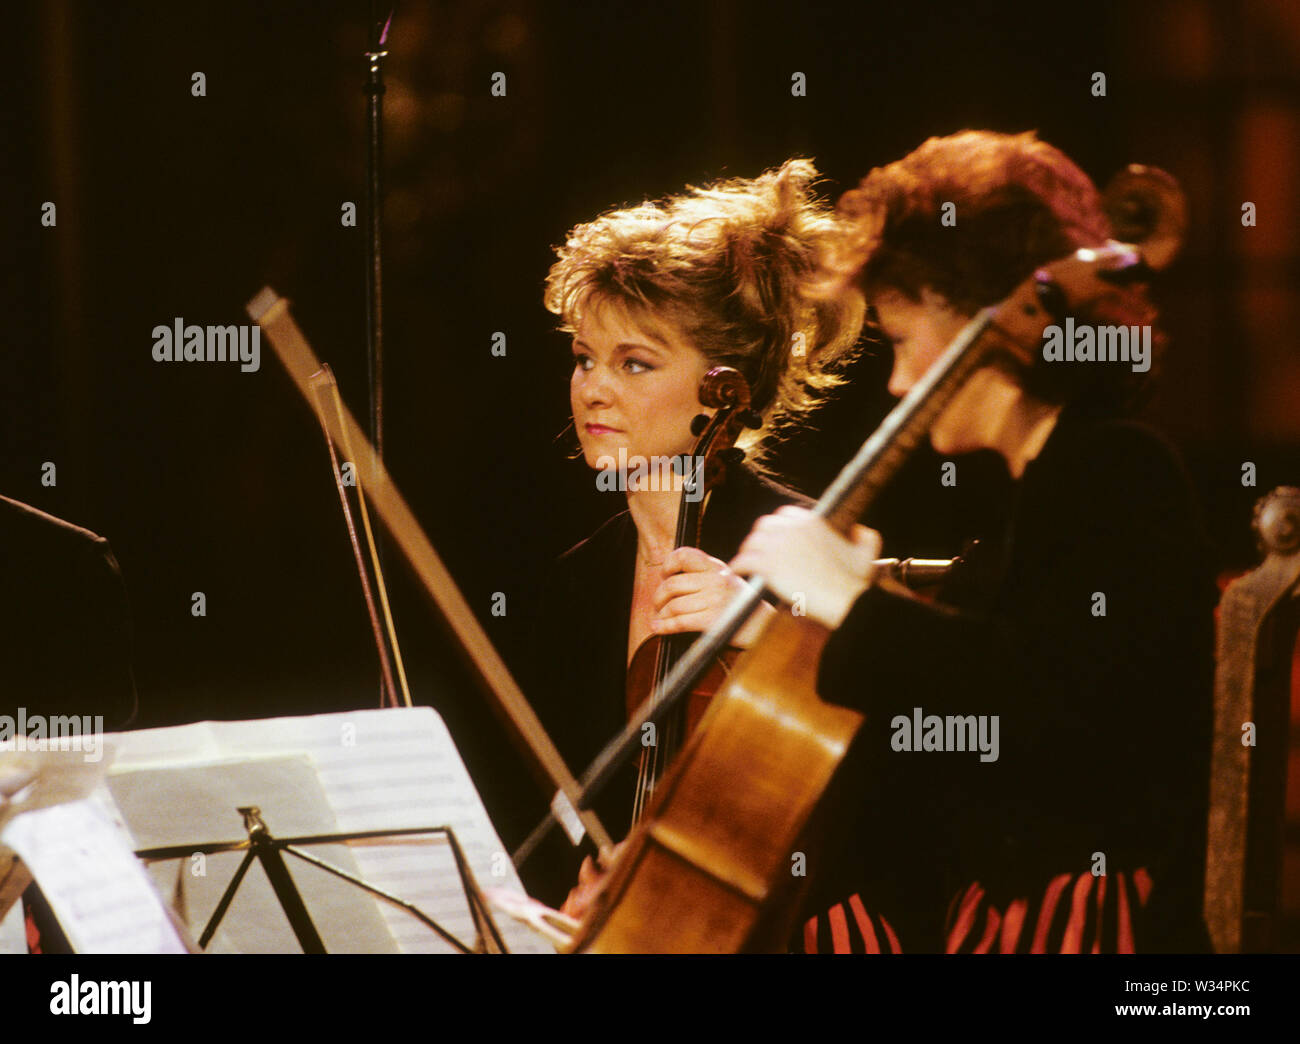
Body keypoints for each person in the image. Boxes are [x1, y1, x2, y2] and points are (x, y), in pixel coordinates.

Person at [730, 131, 1217, 953]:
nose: (897, 383)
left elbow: (1051, 708)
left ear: (982, 319)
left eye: (905, 339)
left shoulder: (1119, 468)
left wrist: (851, 603)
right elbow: (943, 740)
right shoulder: (1037, 500)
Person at [518, 159, 863, 912]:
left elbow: (883, 797)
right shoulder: (577, 583)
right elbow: (564, 817)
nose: (593, 388)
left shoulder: (809, 551)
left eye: (634, 363)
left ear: (722, 386)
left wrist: (774, 641)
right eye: (584, 359)